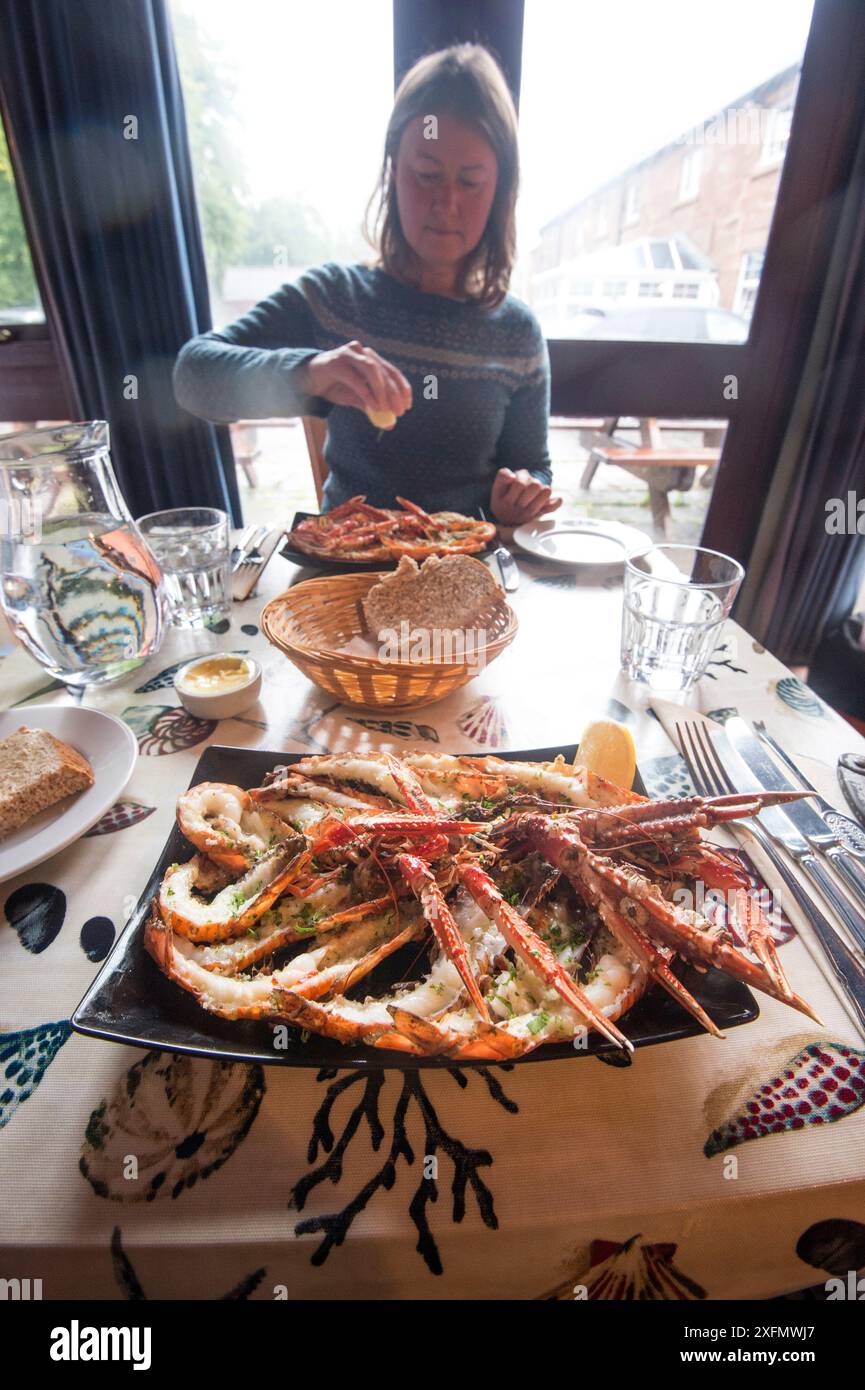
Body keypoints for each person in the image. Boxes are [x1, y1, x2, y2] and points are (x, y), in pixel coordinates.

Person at [174, 43, 563, 528]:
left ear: (501, 189)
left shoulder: (517, 333)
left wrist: (519, 496)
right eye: (426, 175)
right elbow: (193, 377)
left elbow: (533, 465)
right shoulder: (335, 298)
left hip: (466, 572)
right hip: (344, 572)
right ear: (392, 171)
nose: (446, 203)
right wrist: (309, 373)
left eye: (470, 182)